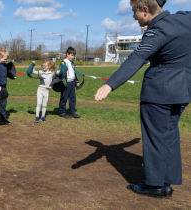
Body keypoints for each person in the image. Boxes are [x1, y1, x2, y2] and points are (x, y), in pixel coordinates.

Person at [94, 0, 191, 199]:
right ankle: (166, 183)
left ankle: (154, 185)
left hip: (160, 91)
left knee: (155, 137)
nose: (133, 16)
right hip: (184, 89)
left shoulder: (158, 30)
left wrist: (109, 84)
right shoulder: (185, 18)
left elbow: (137, 58)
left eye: (134, 11)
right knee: (170, 135)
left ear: (145, 10)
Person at [58, 47, 81, 119]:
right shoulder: (63, 63)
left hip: (72, 83)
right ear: (67, 54)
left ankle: (72, 112)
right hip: (66, 83)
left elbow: (73, 73)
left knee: (73, 98)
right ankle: (62, 112)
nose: (72, 57)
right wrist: (64, 83)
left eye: (73, 55)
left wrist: (76, 81)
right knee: (64, 98)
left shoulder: (72, 63)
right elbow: (61, 73)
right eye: (71, 55)